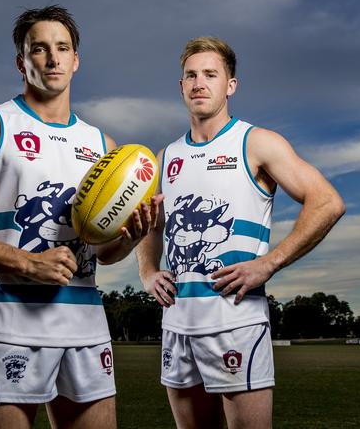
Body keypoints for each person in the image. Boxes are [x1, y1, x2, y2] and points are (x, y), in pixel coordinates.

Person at [0, 5, 159, 429]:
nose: (52, 58)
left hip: (86, 327)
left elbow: (103, 254)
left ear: (76, 61)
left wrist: (130, 237)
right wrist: (27, 262)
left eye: (62, 48)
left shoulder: (102, 144)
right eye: (39, 49)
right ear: (22, 62)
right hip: (11, 326)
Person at [137, 37, 345, 428]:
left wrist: (269, 263)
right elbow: (153, 225)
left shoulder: (256, 142)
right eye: (191, 75)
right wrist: (148, 272)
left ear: (230, 85)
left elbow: (327, 202)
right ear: (181, 86)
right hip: (178, 323)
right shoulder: (165, 156)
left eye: (210, 74)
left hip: (236, 322)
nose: (200, 83)